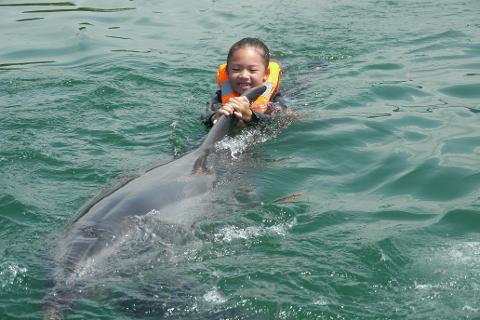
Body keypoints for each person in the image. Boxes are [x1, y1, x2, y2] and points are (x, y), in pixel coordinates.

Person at [203, 38, 288, 128]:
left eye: (252, 70)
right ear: (227, 72)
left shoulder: (274, 99)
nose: (244, 75)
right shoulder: (220, 96)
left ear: (266, 74)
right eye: (236, 69)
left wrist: (251, 116)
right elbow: (205, 115)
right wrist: (214, 117)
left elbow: (282, 119)